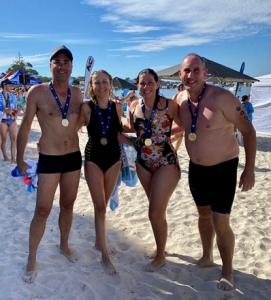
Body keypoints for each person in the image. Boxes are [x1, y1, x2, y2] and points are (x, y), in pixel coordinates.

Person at [176, 53, 256, 290]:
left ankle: (227, 270)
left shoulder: (223, 98)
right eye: (186, 71)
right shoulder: (180, 99)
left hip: (224, 169)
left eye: (196, 70)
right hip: (196, 169)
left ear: (205, 72)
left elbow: (249, 132)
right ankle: (207, 255)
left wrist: (249, 169)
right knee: (203, 216)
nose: (191, 76)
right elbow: (167, 123)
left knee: (221, 223)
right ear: (180, 74)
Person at [16, 45, 83, 283]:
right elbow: (25, 126)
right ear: (51, 65)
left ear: (71, 66)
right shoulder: (37, 92)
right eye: (58, 61)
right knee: (42, 210)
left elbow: (82, 122)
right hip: (49, 159)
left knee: (68, 205)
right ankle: (32, 257)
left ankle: (64, 245)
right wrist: (19, 157)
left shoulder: (78, 93)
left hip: (74, 158)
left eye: (66, 62)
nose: (62, 65)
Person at [129, 68, 181, 272]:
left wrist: (165, 137)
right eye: (142, 83)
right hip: (143, 163)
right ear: (138, 85)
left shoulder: (169, 105)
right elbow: (134, 129)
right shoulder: (134, 106)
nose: (146, 86)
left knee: (154, 211)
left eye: (150, 82)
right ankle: (161, 247)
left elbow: (186, 125)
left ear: (158, 84)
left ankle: (160, 256)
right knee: (156, 210)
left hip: (165, 162)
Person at [79, 70, 123, 275]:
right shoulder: (86, 108)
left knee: (103, 205)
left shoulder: (117, 106)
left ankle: (98, 241)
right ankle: (104, 254)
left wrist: (138, 141)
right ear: (92, 86)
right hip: (93, 159)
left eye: (105, 82)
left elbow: (118, 134)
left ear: (110, 85)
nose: (101, 86)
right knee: (99, 206)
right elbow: (70, 128)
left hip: (114, 159)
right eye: (97, 83)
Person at [0, 79, 18, 162]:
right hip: (2, 119)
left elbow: (16, 108)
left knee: (14, 139)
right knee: (4, 139)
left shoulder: (13, 96)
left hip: (12, 119)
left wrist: (14, 112)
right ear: (4, 85)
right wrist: (4, 109)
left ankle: (13, 158)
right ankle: (5, 156)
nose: (11, 86)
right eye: (9, 85)